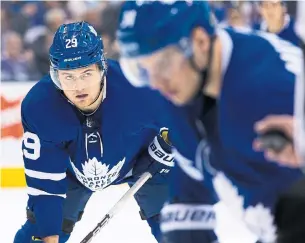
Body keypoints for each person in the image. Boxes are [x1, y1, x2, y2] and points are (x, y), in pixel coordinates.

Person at [117, 1, 304, 243]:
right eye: (140, 69)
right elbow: (189, 192)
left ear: (200, 41)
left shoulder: (275, 91)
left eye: (163, 63)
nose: (155, 82)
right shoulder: (182, 87)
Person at [13, 21, 175, 243]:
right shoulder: (40, 106)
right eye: (68, 76)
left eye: (86, 73)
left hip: (145, 163)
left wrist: (171, 144)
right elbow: (45, 185)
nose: (78, 86)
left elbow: (191, 114)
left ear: (102, 68)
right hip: (72, 172)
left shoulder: (137, 88)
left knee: (181, 226)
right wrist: (48, 234)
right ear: (55, 75)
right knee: (38, 234)